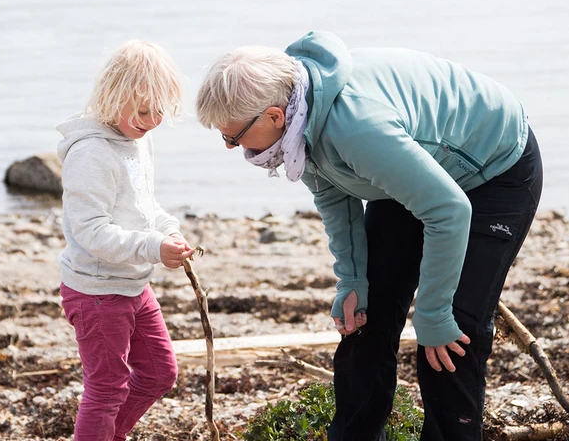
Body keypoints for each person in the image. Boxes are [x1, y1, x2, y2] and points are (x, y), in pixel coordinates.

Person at [194, 31, 543, 440]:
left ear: (274, 117)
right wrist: (351, 278)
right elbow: (333, 197)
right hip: (410, 168)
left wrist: (431, 314)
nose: (231, 147)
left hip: (494, 170)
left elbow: (448, 210)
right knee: (364, 316)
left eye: (233, 136)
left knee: (451, 331)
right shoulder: (296, 121)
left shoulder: (357, 128)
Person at [56, 40, 195, 440]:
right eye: (143, 110)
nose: (152, 120)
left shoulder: (137, 139)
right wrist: (152, 247)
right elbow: (91, 230)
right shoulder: (91, 154)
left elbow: (143, 205)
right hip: (97, 291)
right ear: (112, 95)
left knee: (158, 373)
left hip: (133, 284)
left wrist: (168, 231)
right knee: (106, 388)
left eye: (159, 112)